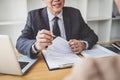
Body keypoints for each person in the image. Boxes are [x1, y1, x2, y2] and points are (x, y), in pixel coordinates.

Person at [16, 0, 98, 58]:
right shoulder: (33, 16)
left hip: (73, 59)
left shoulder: (74, 13)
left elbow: (92, 36)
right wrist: (36, 46)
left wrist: (82, 44)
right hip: (47, 62)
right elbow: (20, 42)